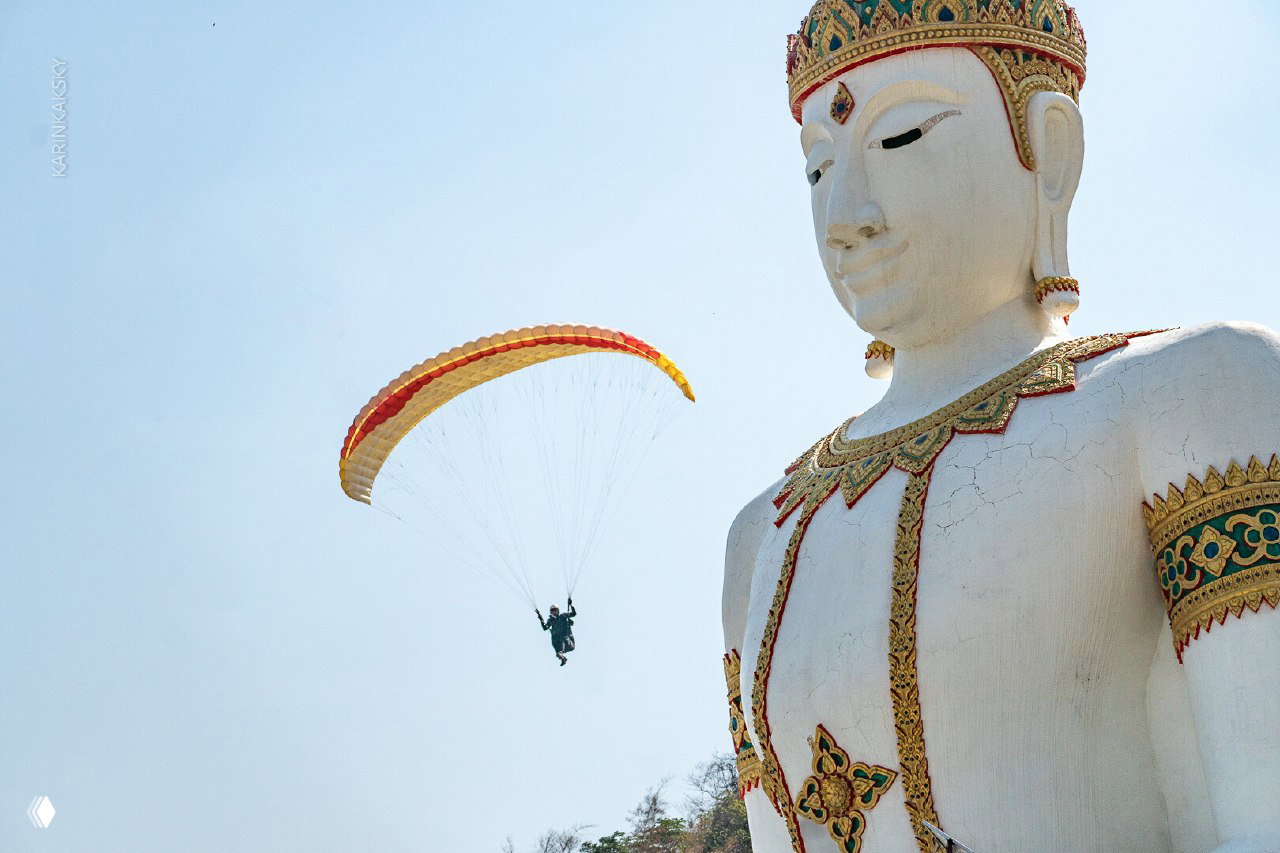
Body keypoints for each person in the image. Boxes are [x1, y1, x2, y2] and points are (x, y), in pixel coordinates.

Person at [722, 2, 1280, 851]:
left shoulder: (1193, 394)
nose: (845, 215)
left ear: (1050, 150)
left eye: (899, 138)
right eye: (817, 169)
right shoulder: (762, 536)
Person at [535, 598, 577, 666]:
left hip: (569, 642)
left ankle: (560, 653)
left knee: (561, 639)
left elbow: (573, 613)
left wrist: (571, 605)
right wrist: (540, 619)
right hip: (560, 644)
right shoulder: (551, 621)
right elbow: (545, 628)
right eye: (552, 610)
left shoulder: (563, 616)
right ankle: (562, 657)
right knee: (554, 639)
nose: (554, 611)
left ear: (558, 610)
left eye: (555, 610)